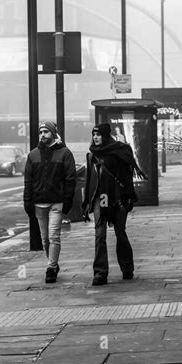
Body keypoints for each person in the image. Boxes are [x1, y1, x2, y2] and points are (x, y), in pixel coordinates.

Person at [82, 123, 142, 286]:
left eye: (99, 134)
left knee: (120, 232)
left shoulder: (119, 151)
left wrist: (128, 196)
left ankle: (127, 268)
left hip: (117, 198)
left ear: (106, 135)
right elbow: (89, 181)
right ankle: (100, 273)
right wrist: (86, 203)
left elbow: (127, 177)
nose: (95, 137)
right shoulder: (91, 155)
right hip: (99, 199)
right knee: (99, 235)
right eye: (94, 134)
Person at [23, 121, 76, 284]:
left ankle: (51, 267)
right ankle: (52, 263)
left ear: (53, 133)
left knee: (54, 236)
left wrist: (67, 200)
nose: (43, 135)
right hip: (39, 203)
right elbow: (28, 181)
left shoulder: (65, 153)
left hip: (57, 203)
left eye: (46, 132)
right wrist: (27, 201)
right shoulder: (33, 155)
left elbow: (70, 179)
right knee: (45, 239)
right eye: (41, 132)